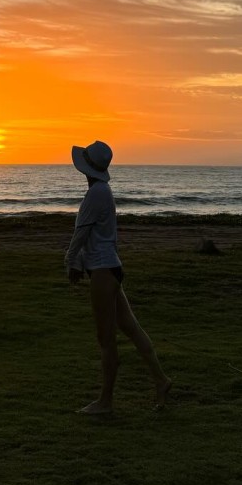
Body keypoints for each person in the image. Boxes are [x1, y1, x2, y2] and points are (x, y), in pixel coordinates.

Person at [65, 139, 172, 414]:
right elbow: (90, 235)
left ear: (88, 168)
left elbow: (81, 234)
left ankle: (105, 402)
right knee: (130, 328)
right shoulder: (103, 191)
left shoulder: (96, 194)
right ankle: (161, 380)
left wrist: (70, 261)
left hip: (103, 272)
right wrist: (77, 261)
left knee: (106, 339)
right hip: (109, 268)